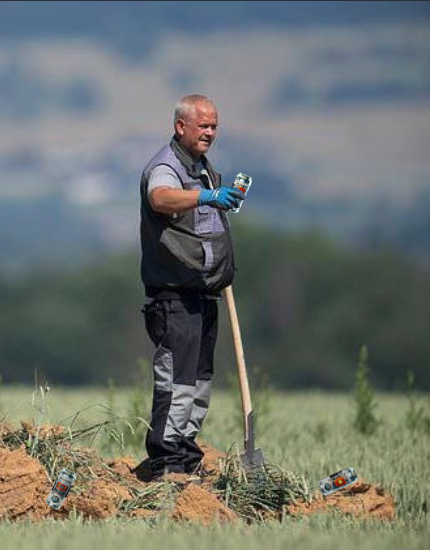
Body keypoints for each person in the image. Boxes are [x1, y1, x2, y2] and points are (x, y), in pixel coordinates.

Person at [138, 94, 245, 476]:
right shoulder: (166, 167)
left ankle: (185, 457)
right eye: (204, 126)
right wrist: (205, 196)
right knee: (177, 382)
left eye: (215, 126)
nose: (211, 133)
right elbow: (160, 197)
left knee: (199, 384)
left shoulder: (203, 168)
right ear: (181, 126)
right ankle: (166, 463)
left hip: (205, 294)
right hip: (175, 297)